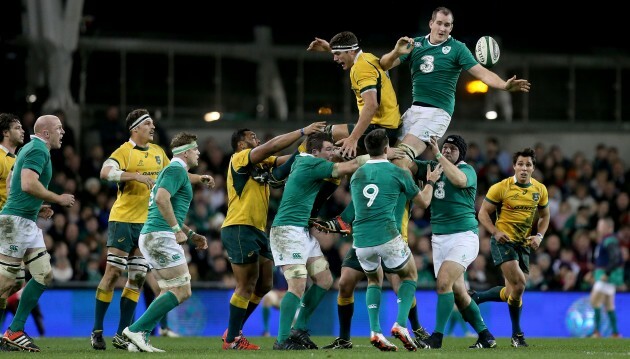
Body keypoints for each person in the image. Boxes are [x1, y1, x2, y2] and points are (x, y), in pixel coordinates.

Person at [90, 109, 213, 350]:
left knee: (136, 278)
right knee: (113, 272)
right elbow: (105, 173)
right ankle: (97, 330)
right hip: (124, 219)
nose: (153, 127)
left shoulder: (159, 153)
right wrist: (133, 175)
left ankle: (122, 334)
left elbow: (177, 173)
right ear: (135, 129)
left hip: (148, 222)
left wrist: (200, 179)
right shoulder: (123, 151)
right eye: (148, 123)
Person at [379, 6, 531, 166]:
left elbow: (481, 73)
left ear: (451, 27)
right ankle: (423, 183)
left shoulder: (457, 48)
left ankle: (420, 191)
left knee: (400, 157)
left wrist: (504, 85)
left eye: (447, 25)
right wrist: (396, 52)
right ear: (431, 23)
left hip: (437, 113)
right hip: (414, 110)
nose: (442, 28)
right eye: (439, 23)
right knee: (385, 158)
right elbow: (384, 65)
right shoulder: (415, 45)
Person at [221, 122, 325, 350]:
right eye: (252, 136)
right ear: (241, 144)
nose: (256, 139)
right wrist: (302, 132)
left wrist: (309, 148)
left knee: (264, 285)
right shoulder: (239, 158)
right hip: (239, 226)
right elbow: (271, 146)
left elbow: (289, 159)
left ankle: (233, 330)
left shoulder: (263, 163)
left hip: (258, 230)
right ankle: (231, 340)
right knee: (245, 286)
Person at [270, 132, 368, 350]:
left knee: (324, 280)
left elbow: (334, 178)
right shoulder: (309, 163)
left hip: (302, 231)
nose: (332, 152)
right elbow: (344, 169)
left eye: (333, 148)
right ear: (315, 152)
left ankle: (299, 329)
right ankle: (282, 339)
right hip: (287, 231)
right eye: (328, 149)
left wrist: (338, 156)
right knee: (297, 284)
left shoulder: (311, 163)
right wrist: (378, 156)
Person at [349, 129, 441, 352]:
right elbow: (424, 203)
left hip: (360, 240)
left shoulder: (356, 175)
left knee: (373, 280)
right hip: (387, 235)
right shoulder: (398, 172)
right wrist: (430, 182)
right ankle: (401, 324)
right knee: (409, 275)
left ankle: (375, 331)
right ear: (387, 148)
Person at [122, 132, 208, 352]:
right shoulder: (175, 170)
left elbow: (167, 209)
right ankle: (134, 330)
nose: (198, 152)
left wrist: (189, 234)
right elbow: (161, 199)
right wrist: (176, 230)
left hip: (155, 235)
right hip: (160, 236)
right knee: (183, 289)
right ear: (186, 152)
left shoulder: (173, 171)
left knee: (169, 289)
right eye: (195, 149)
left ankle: (140, 337)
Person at [410, 135, 496, 349]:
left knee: (443, 283)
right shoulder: (432, 167)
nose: (447, 151)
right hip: (439, 240)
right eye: (445, 147)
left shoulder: (467, 171)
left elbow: (458, 181)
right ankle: (486, 336)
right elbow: (409, 165)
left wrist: (438, 153)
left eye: (452, 149)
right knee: (459, 293)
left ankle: (437, 337)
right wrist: (400, 149)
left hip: (463, 237)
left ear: (462, 153)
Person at [0, 114, 74, 352]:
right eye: (59, 128)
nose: (62, 132)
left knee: (42, 275)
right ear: (45, 132)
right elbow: (28, 184)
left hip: (26, 220)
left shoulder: (29, 149)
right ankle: (13, 331)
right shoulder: (38, 150)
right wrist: (58, 198)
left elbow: (13, 182)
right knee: (5, 283)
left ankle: (14, 331)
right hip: (16, 222)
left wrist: (35, 206)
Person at [473, 147, 550, 348]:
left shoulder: (539, 190)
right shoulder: (501, 187)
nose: (524, 168)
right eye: (520, 164)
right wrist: (495, 232)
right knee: (520, 285)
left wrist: (539, 236)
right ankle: (517, 334)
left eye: (528, 164)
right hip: (503, 242)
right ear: (514, 166)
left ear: (533, 168)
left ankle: (477, 297)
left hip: (523, 244)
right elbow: (483, 213)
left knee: (512, 292)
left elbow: (545, 216)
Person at [307, 31, 402, 160]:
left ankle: (280, 173)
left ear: (351, 52)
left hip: (378, 129)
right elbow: (347, 52)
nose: (335, 58)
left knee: (318, 135)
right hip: (389, 127)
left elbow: (372, 104)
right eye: (334, 54)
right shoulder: (367, 57)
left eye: (337, 54)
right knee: (339, 154)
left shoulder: (360, 68)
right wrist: (329, 48)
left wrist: (353, 138)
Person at [589, 217, 623, 338]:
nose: (599, 228)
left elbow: (615, 258)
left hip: (607, 277)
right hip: (607, 276)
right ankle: (615, 333)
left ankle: (596, 331)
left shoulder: (610, 240)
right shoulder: (606, 240)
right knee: (609, 305)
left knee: (594, 301)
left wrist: (606, 273)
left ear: (609, 227)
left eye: (601, 226)